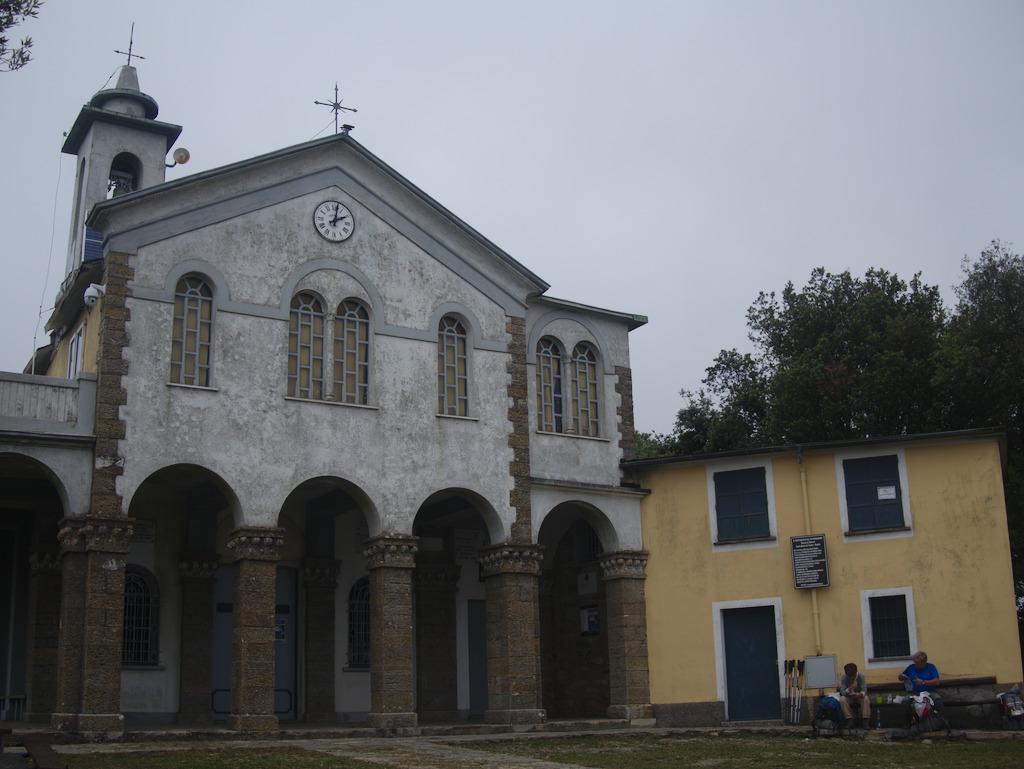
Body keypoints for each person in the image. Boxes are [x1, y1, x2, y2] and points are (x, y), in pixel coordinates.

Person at [898, 651, 941, 726]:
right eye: (914, 662)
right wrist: (901, 677)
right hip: (914, 692)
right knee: (905, 701)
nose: (915, 664)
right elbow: (902, 677)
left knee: (937, 699)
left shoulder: (931, 667)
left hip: (929, 692)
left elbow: (936, 681)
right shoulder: (911, 667)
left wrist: (923, 682)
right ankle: (907, 723)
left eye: (917, 662)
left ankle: (940, 721)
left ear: (923, 662)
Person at [839, 662, 870, 728]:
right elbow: (842, 692)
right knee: (842, 699)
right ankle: (849, 720)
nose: (852, 678)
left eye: (853, 676)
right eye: (850, 677)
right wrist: (849, 689)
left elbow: (864, 689)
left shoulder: (861, 676)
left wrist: (860, 694)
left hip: (859, 697)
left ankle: (865, 720)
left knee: (866, 698)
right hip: (849, 697)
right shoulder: (844, 678)